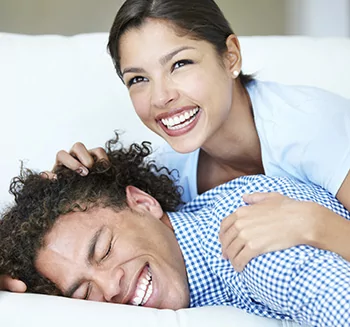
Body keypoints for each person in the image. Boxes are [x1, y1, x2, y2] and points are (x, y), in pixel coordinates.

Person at [2, 0, 350, 291]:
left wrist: (313, 225)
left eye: (180, 64)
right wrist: (68, 197)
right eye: (138, 79)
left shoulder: (310, 128)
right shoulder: (177, 166)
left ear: (230, 57)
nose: (161, 97)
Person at [0, 134, 349, 327]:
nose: (110, 288)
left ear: (144, 204)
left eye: (104, 249)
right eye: (84, 292)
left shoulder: (250, 244)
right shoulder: (184, 231)